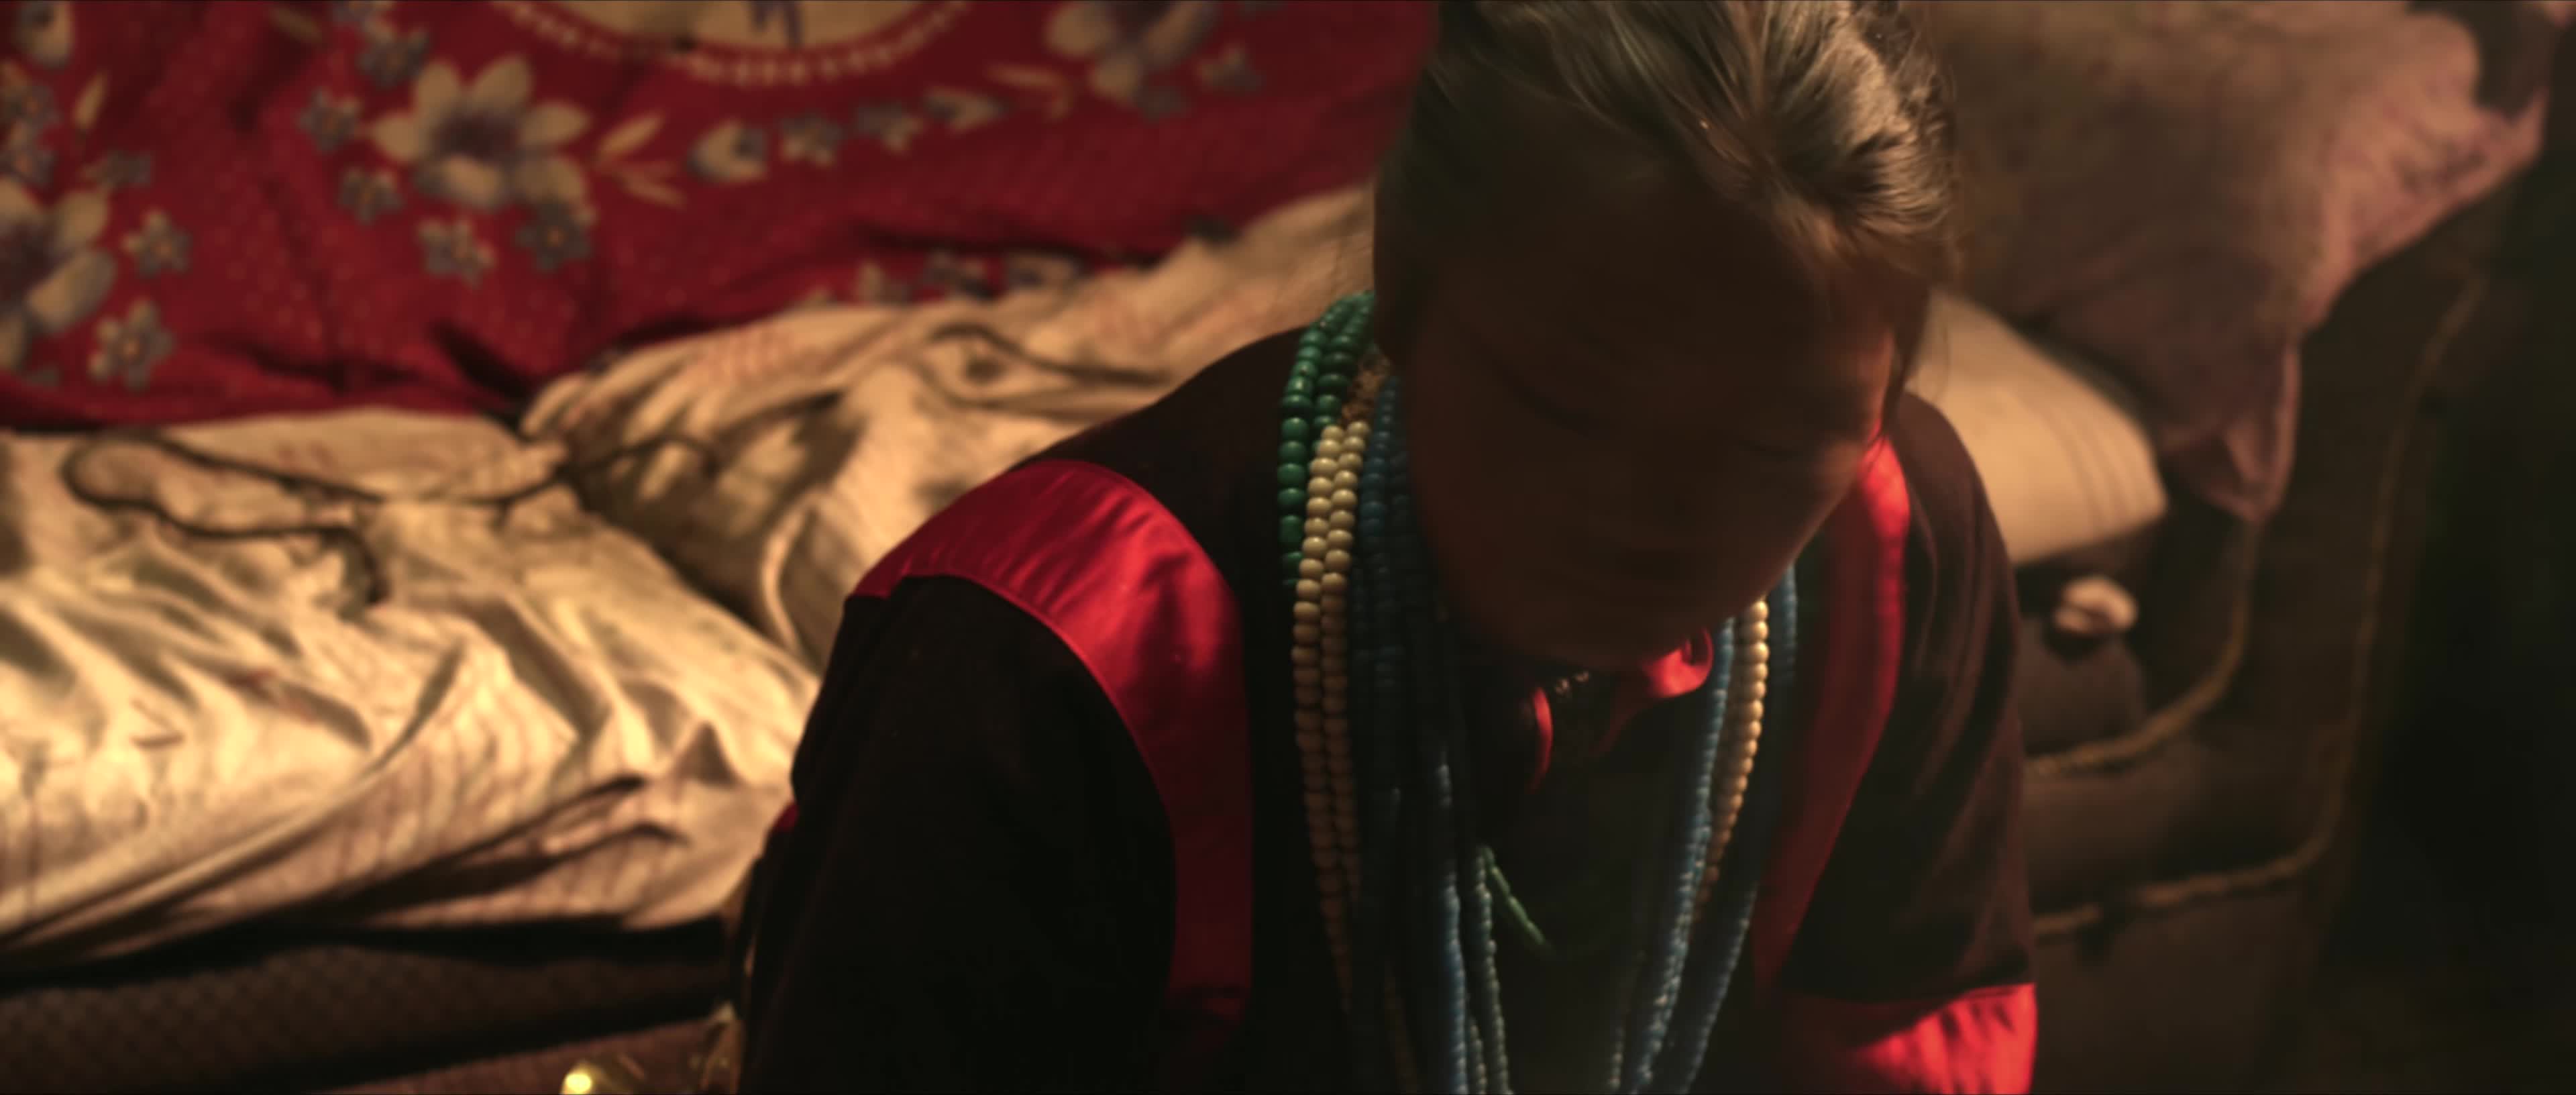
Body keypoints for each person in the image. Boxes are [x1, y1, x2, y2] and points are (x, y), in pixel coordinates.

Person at [737, 1, 2035, 1092]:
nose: (1657, 517)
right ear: (1407, 286)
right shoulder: (1044, 660)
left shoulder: (1892, 539)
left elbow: (1910, 1042)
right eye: (1569, 409)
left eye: (1771, 448)